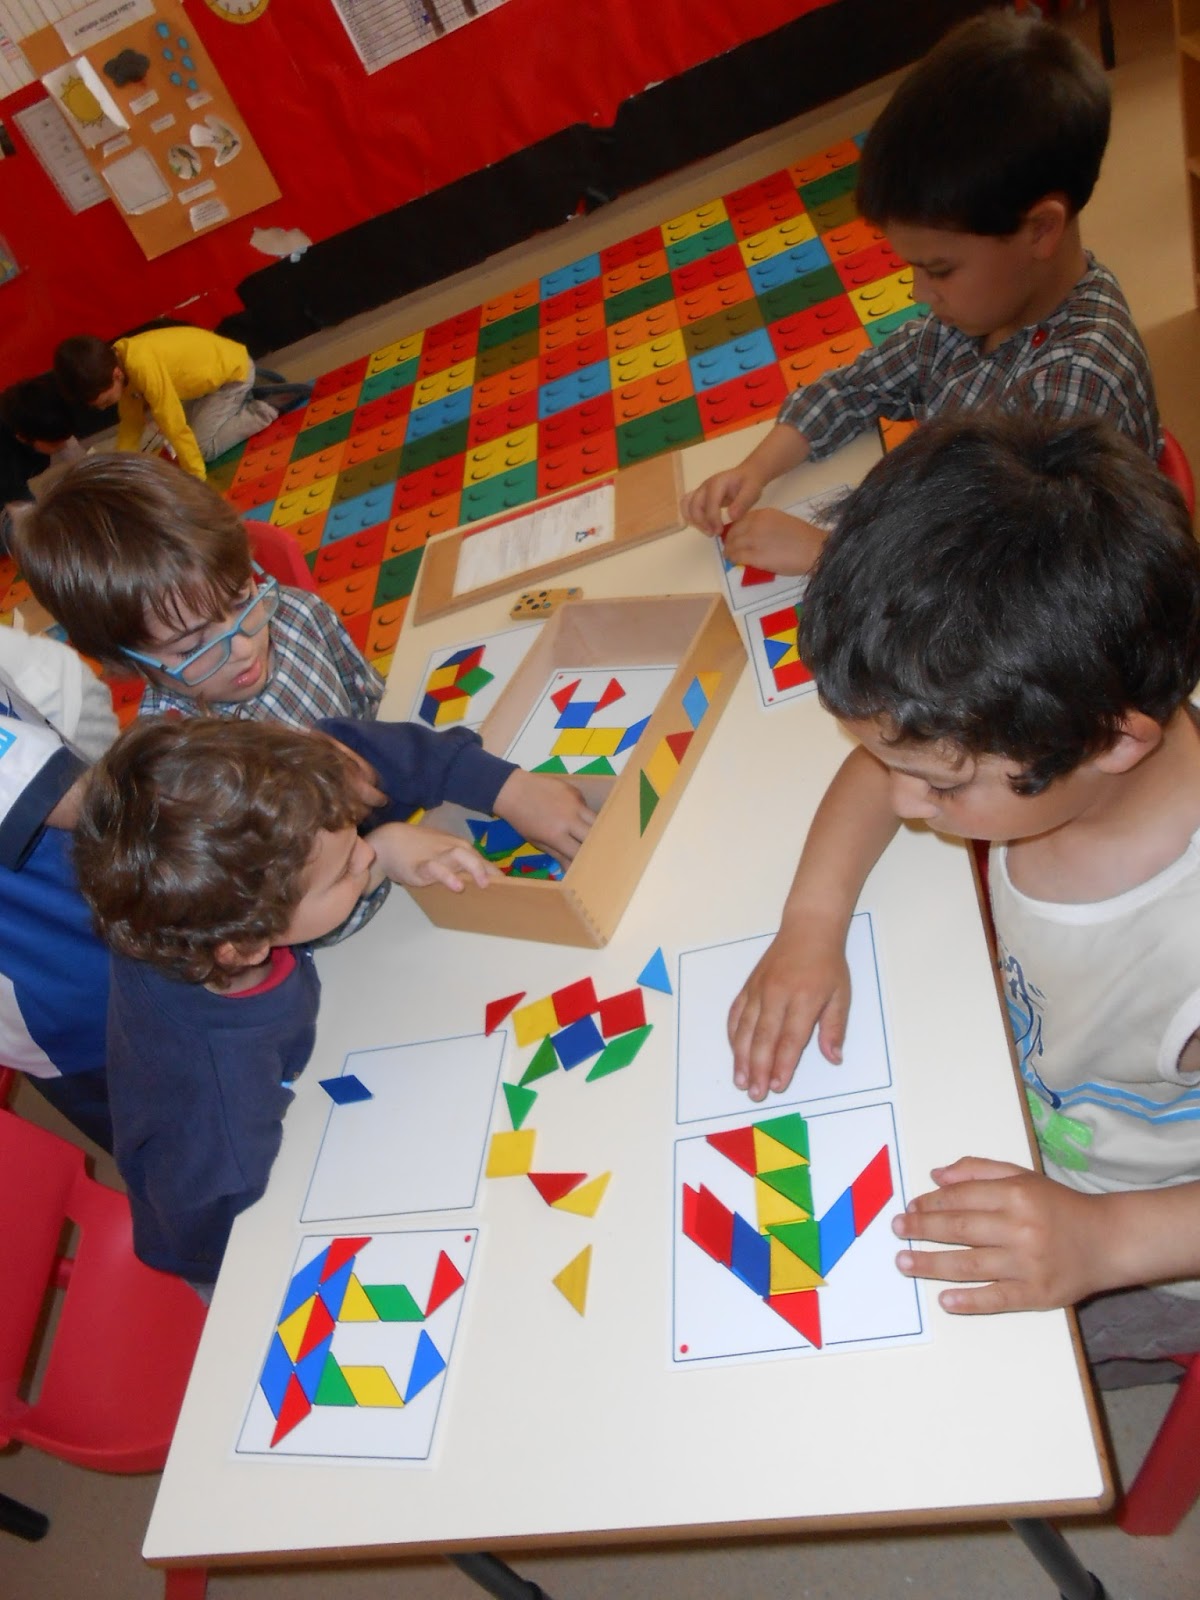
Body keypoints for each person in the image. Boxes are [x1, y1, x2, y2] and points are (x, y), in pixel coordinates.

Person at [729, 410, 1200, 1382]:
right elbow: (889, 770)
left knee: (940, 1371)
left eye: (940, 786)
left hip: (1145, 1228)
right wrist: (812, 921)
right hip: (1031, 1090)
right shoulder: (1050, 717)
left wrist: (1107, 1240)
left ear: (1116, 742)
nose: (903, 801)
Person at [680, 11, 1160, 578]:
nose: (919, 292)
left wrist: (827, 556)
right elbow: (856, 387)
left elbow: (1009, 588)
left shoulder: (1075, 392)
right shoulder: (979, 312)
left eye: (940, 269)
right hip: (945, 522)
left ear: (1040, 231)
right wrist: (755, 470)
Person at [14, 454, 596, 909]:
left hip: (426, 833)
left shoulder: (292, 613)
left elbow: (381, 720)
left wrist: (494, 785)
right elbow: (272, 912)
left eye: (241, 599)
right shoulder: (183, 771)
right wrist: (374, 855)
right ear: (122, 660)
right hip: (359, 899)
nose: (244, 645)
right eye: (192, 647)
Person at [73, 715, 511, 1284]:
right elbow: (220, 1237)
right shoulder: (220, 1109)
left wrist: (381, 850)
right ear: (246, 944)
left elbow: (306, 892)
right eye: (345, 869)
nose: (364, 857)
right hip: (232, 1237)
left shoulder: (183, 921)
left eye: (355, 841)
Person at [0, 626, 119, 1150]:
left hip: (96, 946)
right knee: (183, 1146)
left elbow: (57, 682)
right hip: (72, 997)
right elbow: (87, 802)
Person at [52, 325, 306, 482]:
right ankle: (244, 397)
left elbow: (174, 424)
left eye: (105, 401)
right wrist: (120, 467)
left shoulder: (142, 366)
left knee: (202, 449)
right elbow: (131, 422)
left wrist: (196, 477)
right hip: (205, 386)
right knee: (188, 439)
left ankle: (265, 407)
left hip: (232, 377)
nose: (102, 407)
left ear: (116, 375)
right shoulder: (119, 358)